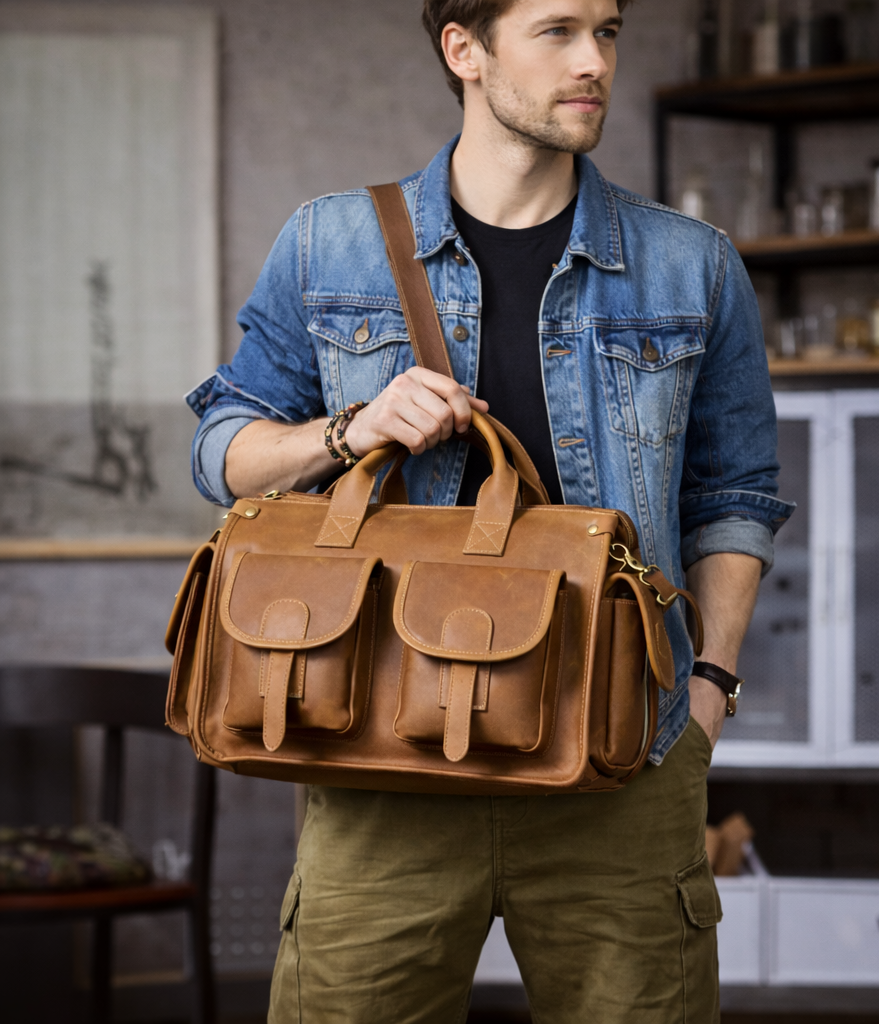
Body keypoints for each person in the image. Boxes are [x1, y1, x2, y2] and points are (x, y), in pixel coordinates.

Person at [186, 1, 793, 1020]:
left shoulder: (691, 263)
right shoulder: (329, 244)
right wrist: (349, 431)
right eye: (557, 31)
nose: (594, 61)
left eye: (607, 31)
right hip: (382, 767)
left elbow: (734, 495)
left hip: (624, 762)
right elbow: (222, 453)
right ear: (463, 49)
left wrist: (709, 689)